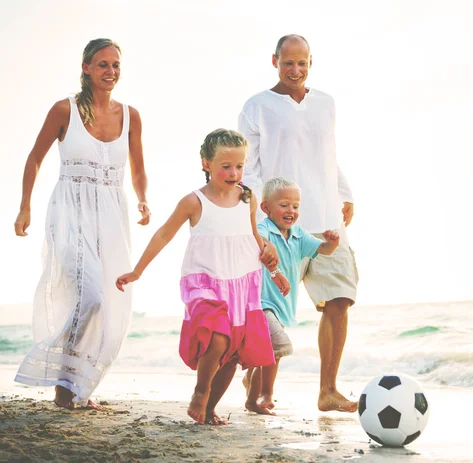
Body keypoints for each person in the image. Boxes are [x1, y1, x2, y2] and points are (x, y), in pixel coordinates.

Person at [116, 129, 289, 425]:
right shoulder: (194, 201)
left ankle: (209, 409)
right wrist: (137, 270)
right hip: (205, 281)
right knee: (218, 336)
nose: (234, 173)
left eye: (239, 166)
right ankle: (200, 390)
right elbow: (164, 234)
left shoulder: (247, 197)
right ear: (206, 163)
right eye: (226, 166)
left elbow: (253, 236)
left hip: (242, 283)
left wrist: (274, 270)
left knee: (234, 353)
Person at [13, 38, 151, 410]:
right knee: (88, 294)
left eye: (116, 65)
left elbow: (138, 168)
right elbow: (34, 159)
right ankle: (63, 386)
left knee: (109, 302)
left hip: (111, 214)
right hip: (70, 210)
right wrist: (24, 206)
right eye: (103, 64)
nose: (111, 72)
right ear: (86, 68)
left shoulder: (130, 116)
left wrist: (141, 198)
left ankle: (79, 384)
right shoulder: (64, 110)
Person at [238, 34, 359, 412]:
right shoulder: (257, 106)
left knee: (340, 298)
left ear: (311, 63)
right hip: (280, 226)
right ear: (274, 60)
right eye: (288, 62)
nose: (295, 70)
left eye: (302, 62)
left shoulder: (326, 104)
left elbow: (328, 152)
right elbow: (248, 169)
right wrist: (260, 224)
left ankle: (328, 391)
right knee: (274, 312)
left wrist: (345, 192)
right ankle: (260, 387)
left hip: (325, 220)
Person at [243, 177, 340, 415]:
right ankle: (259, 395)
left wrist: (332, 243)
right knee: (275, 348)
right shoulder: (265, 228)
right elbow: (253, 235)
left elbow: (323, 250)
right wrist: (266, 243)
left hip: (282, 305)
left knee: (269, 354)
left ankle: (259, 393)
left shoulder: (298, 235)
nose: (291, 211)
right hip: (261, 302)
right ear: (266, 208)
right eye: (284, 205)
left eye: (295, 206)